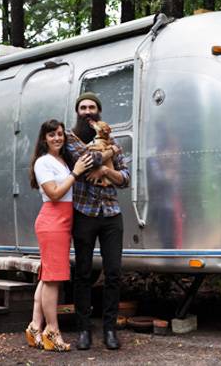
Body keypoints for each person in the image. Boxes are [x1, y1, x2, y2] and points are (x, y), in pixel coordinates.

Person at [66, 92, 130, 350]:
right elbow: (87, 159)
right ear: (78, 112)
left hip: (111, 214)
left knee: (113, 272)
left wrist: (105, 171)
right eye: (83, 108)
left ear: (99, 113)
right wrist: (112, 151)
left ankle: (110, 330)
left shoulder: (110, 139)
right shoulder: (71, 138)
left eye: (92, 107)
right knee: (82, 273)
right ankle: (83, 329)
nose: (87, 111)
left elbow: (125, 178)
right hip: (84, 213)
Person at [26, 119, 92, 352]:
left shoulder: (59, 160)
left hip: (61, 221)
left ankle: (35, 326)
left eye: (60, 134)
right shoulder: (43, 162)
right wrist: (75, 173)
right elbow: (54, 193)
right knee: (54, 279)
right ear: (44, 138)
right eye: (52, 135)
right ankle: (52, 331)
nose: (57, 138)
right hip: (53, 221)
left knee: (47, 276)